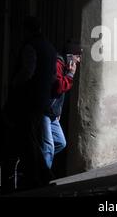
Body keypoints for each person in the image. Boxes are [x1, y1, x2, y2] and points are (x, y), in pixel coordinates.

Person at [5, 16, 57, 189]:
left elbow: (27, 71)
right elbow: (53, 76)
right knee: (32, 139)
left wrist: (13, 84)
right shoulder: (49, 48)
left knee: (28, 139)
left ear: (27, 30)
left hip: (29, 100)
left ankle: (36, 176)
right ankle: (42, 174)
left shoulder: (31, 46)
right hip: (43, 100)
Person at [41, 41, 82, 170]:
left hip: (53, 113)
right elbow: (59, 87)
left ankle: (37, 163)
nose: (79, 60)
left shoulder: (64, 65)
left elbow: (61, 94)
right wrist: (70, 75)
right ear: (70, 56)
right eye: (78, 56)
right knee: (49, 146)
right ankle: (43, 177)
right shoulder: (58, 64)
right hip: (45, 110)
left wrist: (58, 112)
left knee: (60, 143)